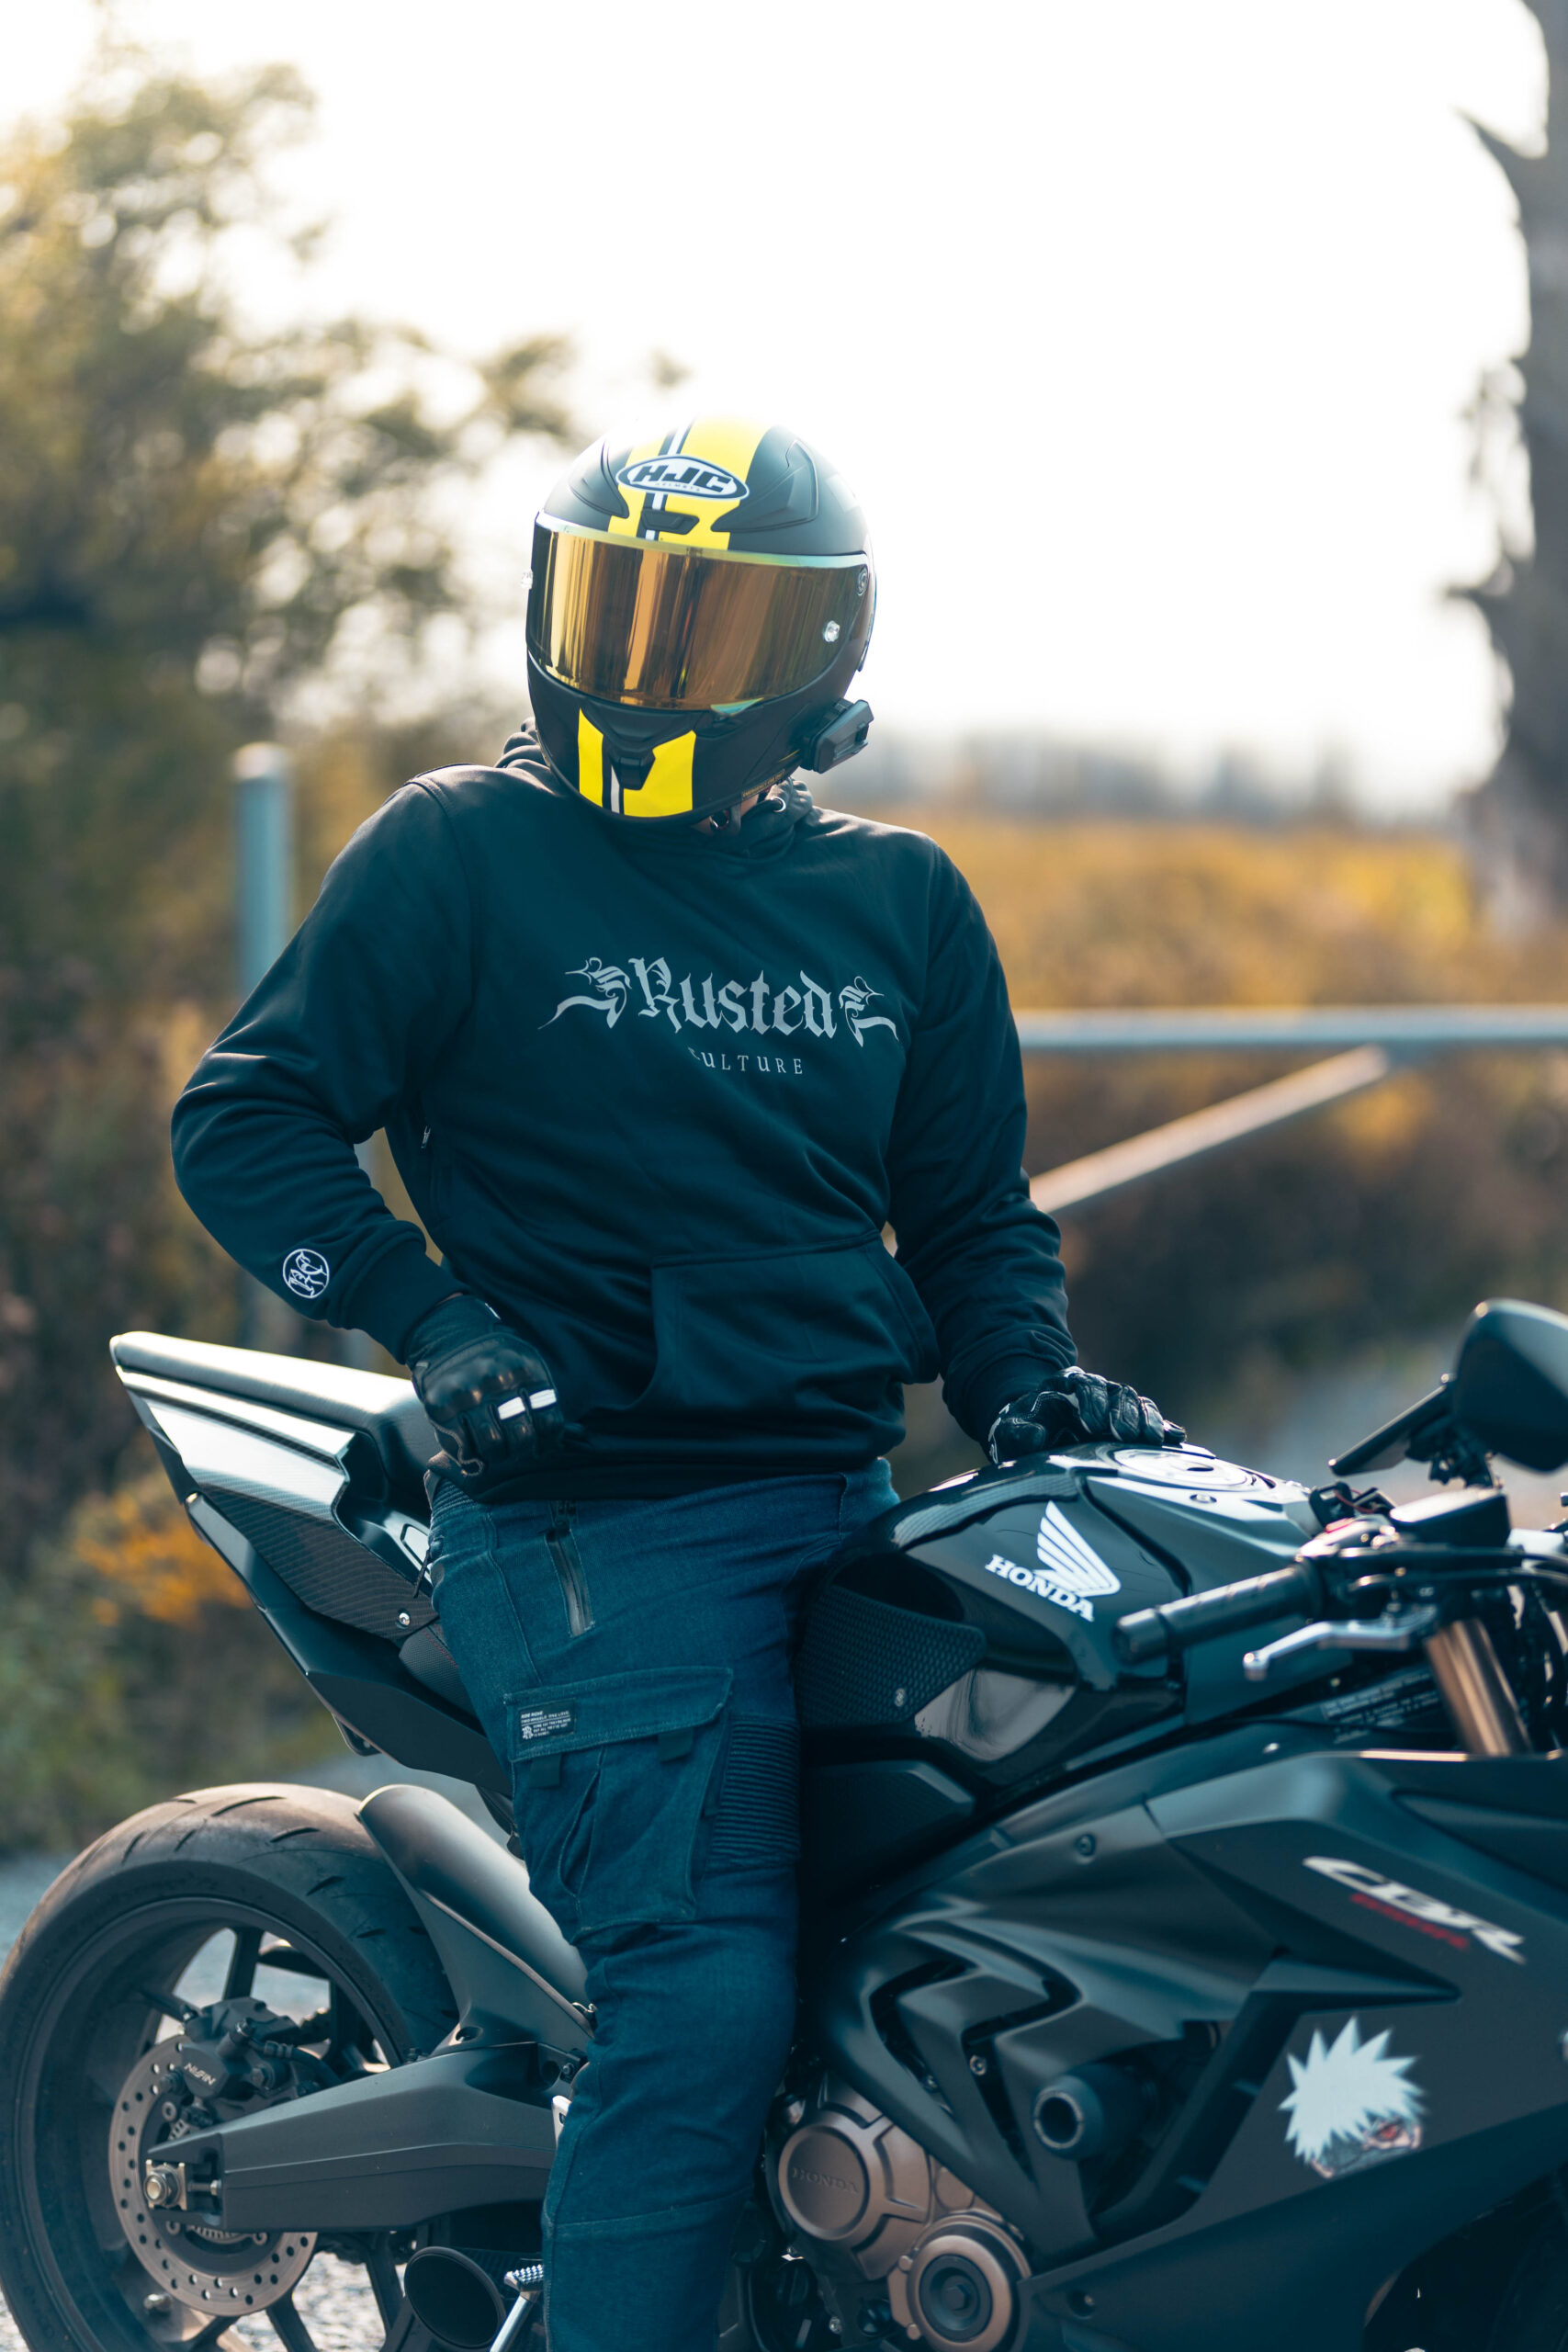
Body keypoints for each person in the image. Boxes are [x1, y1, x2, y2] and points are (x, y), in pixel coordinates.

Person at [172, 418, 1181, 2352]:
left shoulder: (903, 903)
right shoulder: (462, 851)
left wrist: (1028, 1388)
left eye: (703, 630)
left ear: (820, 658)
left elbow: (974, 1223)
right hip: (595, 1527)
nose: (644, 670)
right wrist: (428, 1317)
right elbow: (244, 1120)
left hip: (853, 1513)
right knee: (705, 1995)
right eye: (616, 609)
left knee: (1014, 1916)